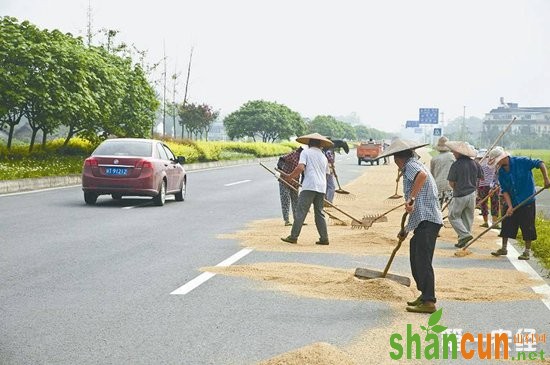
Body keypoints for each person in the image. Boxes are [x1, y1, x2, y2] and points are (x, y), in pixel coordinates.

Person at [377, 139, 443, 314]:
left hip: (429, 220)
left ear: (399, 159)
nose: (396, 165)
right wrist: (405, 229)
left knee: (423, 260)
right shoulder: (412, 164)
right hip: (423, 220)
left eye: (395, 161)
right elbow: (415, 209)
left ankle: (429, 301)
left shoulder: (411, 165)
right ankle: (424, 294)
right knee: (415, 255)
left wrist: (411, 198)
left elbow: (422, 176)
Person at [489, 147, 550, 260]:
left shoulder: (521, 161)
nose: (497, 164)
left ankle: (527, 251)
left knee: (527, 226)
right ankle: (504, 248)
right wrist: (510, 206)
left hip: (527, 200)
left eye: (498, 161)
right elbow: (505, 190)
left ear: (503, 158)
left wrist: (546, 178)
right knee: (506, 223)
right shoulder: (501, 172)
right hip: (512, 200)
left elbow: (540, 163)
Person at [280, 133, 331, 245]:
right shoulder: (323, 156)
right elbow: (327, 173)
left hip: (309, 186)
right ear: (319, 145)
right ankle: (324, 238)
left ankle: (293, 236)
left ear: (309, 143)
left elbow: (300, 167)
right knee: (319, 213)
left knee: (301, 211)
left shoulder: (306, 152)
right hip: (321, 187)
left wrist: (290, 176)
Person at [446, 141, 483, 248]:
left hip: (460, 194)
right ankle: (463, 241)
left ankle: (464, 235)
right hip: (472, 194)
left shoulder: (456, 164)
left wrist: (457, 188)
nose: (453, 153)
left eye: (454, 152)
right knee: (467, 218)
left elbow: (451, 182)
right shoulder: (475, 163)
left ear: (459, 153)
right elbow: (481, 177)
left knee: (453, 216)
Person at [277, 147, 303, 226]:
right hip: (285, 180)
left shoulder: (304, 158)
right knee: (286, 200)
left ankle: (297, 219)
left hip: (295, 182)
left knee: (296, 200)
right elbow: (282, 159)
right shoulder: (292, 155)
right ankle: (286, 220)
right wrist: (280, 169)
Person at [475, 149, 499, 228]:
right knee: (495, 203)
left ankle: (486, 222)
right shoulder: (494, 163)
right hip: (493, 186)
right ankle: (494, 222)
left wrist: (476, 187)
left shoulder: (479, 164)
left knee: (483, 203)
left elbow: (478, 177)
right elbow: (496, 175)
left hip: (482, 186)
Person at [429, 136, 455, 206]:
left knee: (437, 209)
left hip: (438, 186)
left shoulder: (434, 158)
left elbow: (432, 175)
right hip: (450, 186)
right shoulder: (453, 157)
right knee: (452, 210)